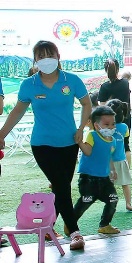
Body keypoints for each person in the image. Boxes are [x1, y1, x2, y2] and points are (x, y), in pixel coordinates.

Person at [0, 41, 92, 250]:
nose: (46, 60)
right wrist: (2, 134)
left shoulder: (72, 80)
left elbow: (86, 103)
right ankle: (75, 232)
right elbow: (17, 111)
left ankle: (48, 227)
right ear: (35, 60)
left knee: (61, 186)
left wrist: (81, 128)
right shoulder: (29, 85)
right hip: (42, 144)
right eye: (41, 56)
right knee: (61, 185)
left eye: (50, 55)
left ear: (58, 56)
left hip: (69, 143)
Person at [74, 105, 121, 236]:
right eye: (106, 124)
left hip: (104, 178)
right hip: (88, 178)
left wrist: (112, 170)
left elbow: (109, 156)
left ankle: (104, 225)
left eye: (113, 124)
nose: (111, 127)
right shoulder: (92, 135)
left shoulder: (112, 140)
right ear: (96, 125)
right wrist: (79, 142)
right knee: (86, 200)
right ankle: (71, 223)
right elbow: (88, 151)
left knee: (113, 199)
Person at [98, 58, 132, 166]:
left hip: (108, 123)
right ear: (118, 69)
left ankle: (110, 171)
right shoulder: (125, 83)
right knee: (125, 145)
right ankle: (126, 171)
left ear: (106, 70)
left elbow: (102, 107)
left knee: (108, 145)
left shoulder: (104, 87)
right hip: (125, 119)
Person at [106, 99, 132, 212]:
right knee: (125, 184)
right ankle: (128, 204)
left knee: (109, 185)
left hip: (108, 161)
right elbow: (126, 136)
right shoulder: (124, 127)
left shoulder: (104, 127)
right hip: (121, 160)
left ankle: (110, 205)